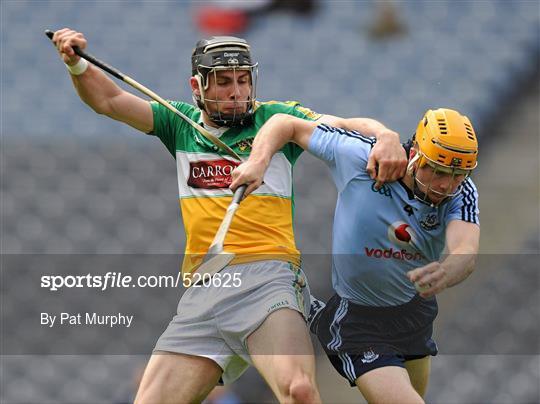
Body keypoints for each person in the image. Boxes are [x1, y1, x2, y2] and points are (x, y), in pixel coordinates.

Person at [50, 28, 407, 403]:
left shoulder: (278, 119)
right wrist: (76, 65)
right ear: (197, 85)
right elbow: (109, 100)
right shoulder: (179, 123)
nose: (236, 91)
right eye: (222, 82)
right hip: (204, 288)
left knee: (298, 389)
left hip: (267, 278)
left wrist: (384, 135)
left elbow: (349, 126)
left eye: (243, 80)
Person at [231, 108, 480, 403]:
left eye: (456, 175)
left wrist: (448, 270)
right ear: (415, 154)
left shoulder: (461, 193)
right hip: (358, 323)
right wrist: (258, 162)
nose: (445, 185)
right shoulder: (361, 157)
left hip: (414, 314)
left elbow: (465, 250)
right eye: (437, 170)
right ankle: (320, 316)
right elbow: (285, 124)